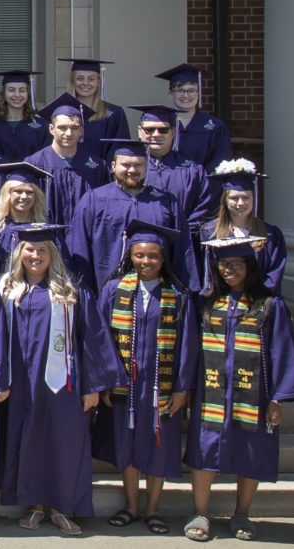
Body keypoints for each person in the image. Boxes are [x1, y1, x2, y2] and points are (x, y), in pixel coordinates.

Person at [0, 224, 122, 535]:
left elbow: (92, 339)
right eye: (29, 250)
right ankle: (36, 505)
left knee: (63, 442)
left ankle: (63, 507)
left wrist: (91, 387)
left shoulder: (70, 291)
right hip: (20, 384)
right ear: (19, 253)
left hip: (63, 384)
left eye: (43, 250)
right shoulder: (5, 289)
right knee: (28, 441)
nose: (35, 255)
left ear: (53, 255)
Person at [184, 237, 294, 542]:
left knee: (251, 453)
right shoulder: (205, 301)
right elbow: (191, 349)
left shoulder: (269, 304)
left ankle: (242, 514)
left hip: (254, 395)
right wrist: (184, 388)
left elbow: (283, 350)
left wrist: (278, 397)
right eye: (224, 264)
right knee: (204, 451)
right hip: (210, 393)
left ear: (250, 267)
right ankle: (200, 513)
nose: (228, 270)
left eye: (236, 264)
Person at [95, 221, 195, 535]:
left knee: (158, 444)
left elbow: (188, 346)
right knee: (127, 443)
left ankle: (153, 509)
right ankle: (131, 506)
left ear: (163, 258)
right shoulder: (114, 289)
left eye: (153, 256)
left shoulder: (177, 295)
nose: (146, 262)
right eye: (139, 255)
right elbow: (101, 339)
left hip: (160, 388)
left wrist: (181, 387)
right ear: (130, 256)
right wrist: (108, 379)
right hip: (125, 384)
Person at [69, 138, 180, 292]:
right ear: (113, 166)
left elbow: (181, 249)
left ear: (147, 167)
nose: (132, 170)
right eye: (126, 165)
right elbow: (79, 246)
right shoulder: (94, 199)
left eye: (138, 165)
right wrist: (84, 291)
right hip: (105, 290)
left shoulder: (165, 201)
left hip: (156, 293)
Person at [191, 161, 286, 295]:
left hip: (259, 302)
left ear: (254, 198)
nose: (240, 203)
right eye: (234, 198)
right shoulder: (209, 232)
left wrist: (254, 299)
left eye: (246, 197)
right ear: (225, 200)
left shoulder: (271, 234)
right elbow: (204, 271)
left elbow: (274, 274)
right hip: (221, 302)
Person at [28, 95, 107, 228]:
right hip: (47, 238)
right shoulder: (34, 164)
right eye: (62, 128)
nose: (69, 133)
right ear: (51, 129)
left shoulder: (96, 166)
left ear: (81, 130)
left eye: (75, 128)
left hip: (84, 237)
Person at [0, 161, 52, 278]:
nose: (24, 197)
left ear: (36, 196)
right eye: (18, 191)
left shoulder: (45, 228)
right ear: (8, 194)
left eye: (30, 192)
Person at [156, 63, 232, 169]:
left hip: (205, 183)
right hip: (168, 183)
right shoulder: (160, 124)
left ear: (199, 93)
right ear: (170, 93)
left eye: (191, 90)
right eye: (180, 90)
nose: (186, 95)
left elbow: (221, 162)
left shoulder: (215, 127)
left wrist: (201, 181)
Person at [0, 69, 46, 162]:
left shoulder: (42, 126)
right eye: (11, 90)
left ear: (28, 93)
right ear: (4, 93)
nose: (17, 95)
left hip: (32, 175)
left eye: (22, 90)